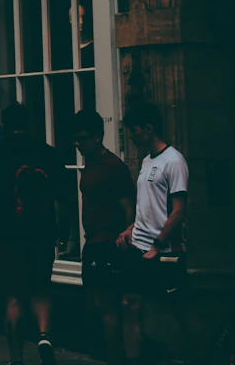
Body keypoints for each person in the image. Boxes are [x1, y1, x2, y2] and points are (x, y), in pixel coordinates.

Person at [0, 103, 66, 365]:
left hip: (4, 235)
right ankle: (44, 336)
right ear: (28, 123)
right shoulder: (46, 152)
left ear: (4, 124)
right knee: (41, 290)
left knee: (14, 298)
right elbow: (62, 191)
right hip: (41, 233)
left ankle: (17, 359)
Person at [117, 101, 188, 359]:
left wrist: (158, 244)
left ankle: (193, 357)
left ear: (148, 129)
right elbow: (149, 205)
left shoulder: (174, 161)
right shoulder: (147, 161)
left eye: (134, 131)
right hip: (139, 248)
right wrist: (131, 228)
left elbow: (178, 209)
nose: (131, 137)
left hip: (164, 249)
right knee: (130, 305)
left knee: (174, 310)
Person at [72, 110, 136, 363]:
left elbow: (128, 205)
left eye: (82, 138)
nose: (77, 143)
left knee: (109, 304)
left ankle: (115, 358)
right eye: (74, 138)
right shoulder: (90, 162)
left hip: (110, 242)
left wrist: (127, 232)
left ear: (97, 137)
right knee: (96, 304)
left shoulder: (113, 166)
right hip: (92, 242)